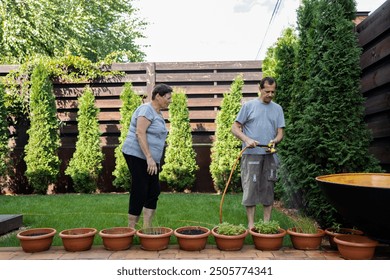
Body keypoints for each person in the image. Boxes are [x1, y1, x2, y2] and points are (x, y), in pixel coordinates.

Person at [231, 77, 285, 229]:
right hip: (251, 154)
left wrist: (275, 141)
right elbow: (235, 128)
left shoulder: (278, 109)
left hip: (269, 155)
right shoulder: (249, 106)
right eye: (267, 91)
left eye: (273, 92)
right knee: (251, 187)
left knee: (268, 187)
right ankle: (251, 225)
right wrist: (247, 139)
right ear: (259, 89)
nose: (270, 95)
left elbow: (280, 133)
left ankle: (266, 225)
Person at [122, 83, 173, 229]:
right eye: (168, 98)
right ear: (158, 96)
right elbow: (140, 132)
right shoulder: (146, 110)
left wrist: (152, 158)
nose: (170, 101)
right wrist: (149, 157)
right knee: (140, 189)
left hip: (150, 159)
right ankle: (131, 228)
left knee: (153, 190)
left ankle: (147, 228)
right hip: (137, 155)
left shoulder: (158, 113)